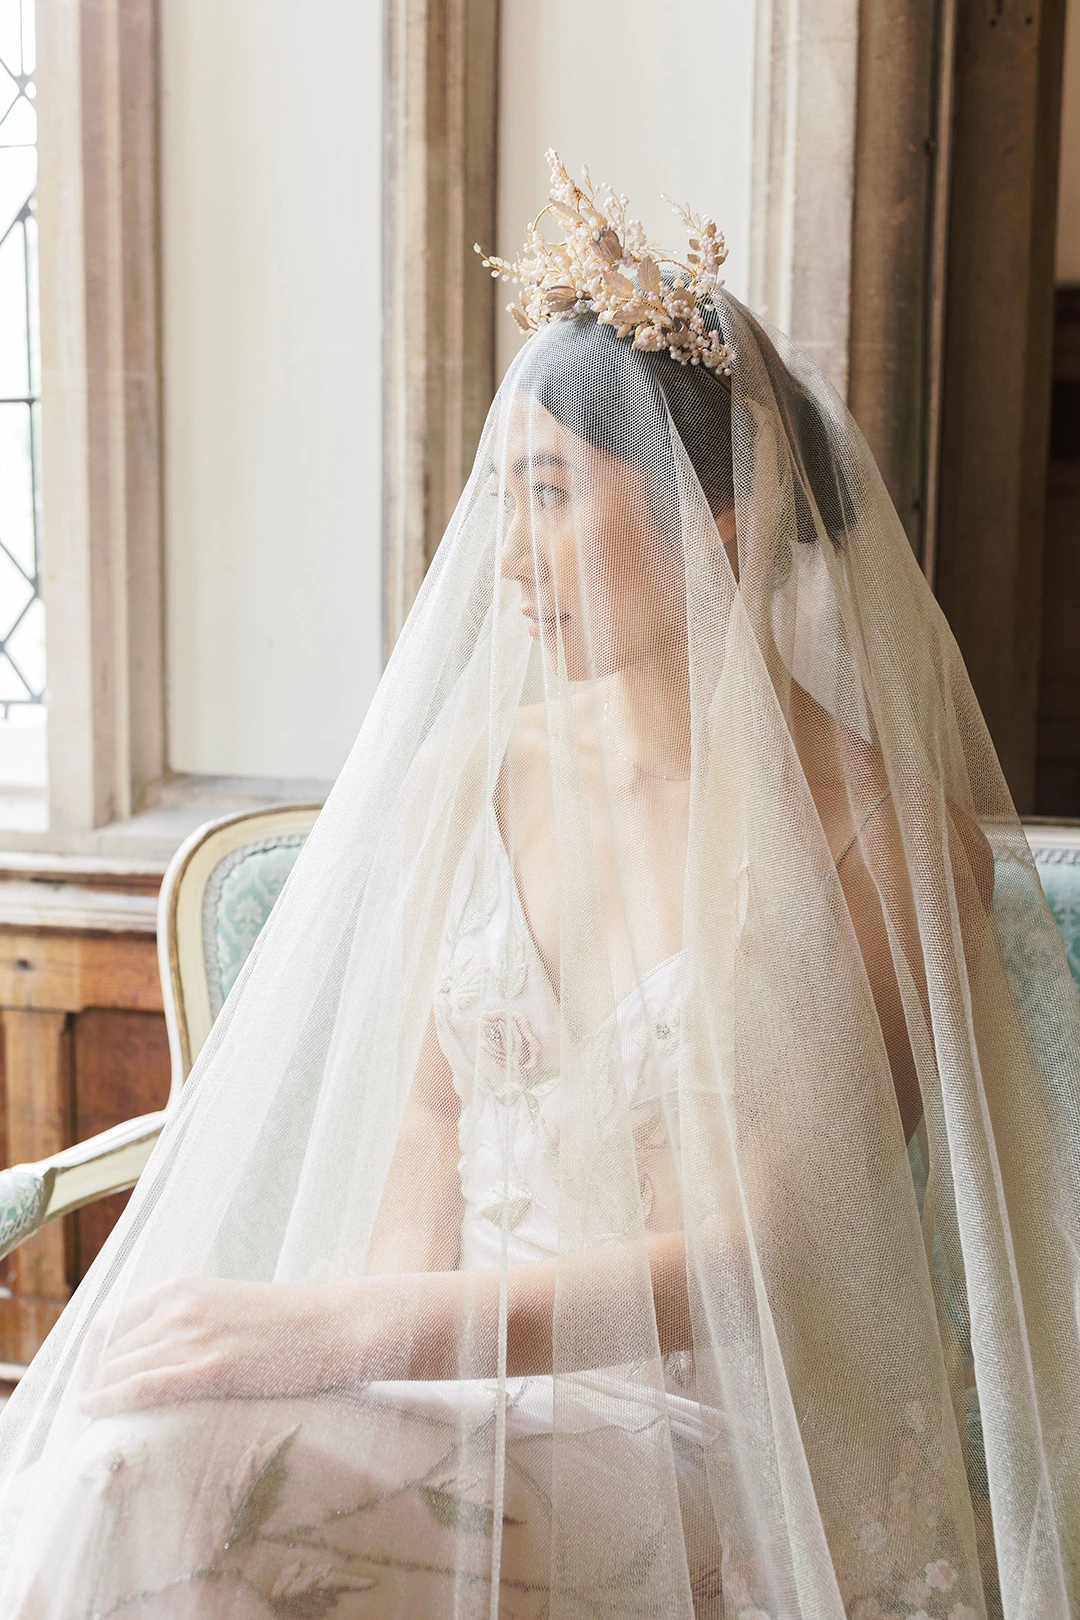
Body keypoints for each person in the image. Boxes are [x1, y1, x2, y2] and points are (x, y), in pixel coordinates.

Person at [0, 151, 1077, 1620]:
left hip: (700, 1439)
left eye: (553, 497)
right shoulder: (483, 774)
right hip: (449, 1386)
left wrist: (339, 1331)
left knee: (161, 1482)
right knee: (136, 1451)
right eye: (499, 501)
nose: (506, 560)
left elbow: (762, 1246)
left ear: (722, 517)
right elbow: (437, 1122)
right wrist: (369, 1363)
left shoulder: (880, 838)